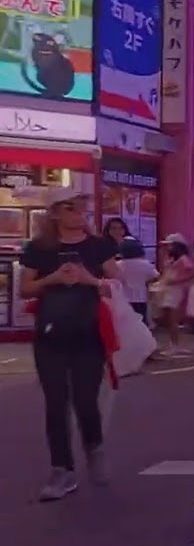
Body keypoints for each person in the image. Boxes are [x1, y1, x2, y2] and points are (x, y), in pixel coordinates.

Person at [19, 187, 118, 501]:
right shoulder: (39, 248)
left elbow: (117, 284)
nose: (80, 214)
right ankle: (62, 469)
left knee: (85, 401)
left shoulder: (99, 247)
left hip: (89, 335)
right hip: (50, 335)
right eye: (72, 208)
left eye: (82, 208)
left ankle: (94, 445)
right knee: (55, 404)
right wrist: (53, 280)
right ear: (56, 213)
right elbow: (25, 289)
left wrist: (91, 280)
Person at [156, 234, 194, 357]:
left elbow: (192, 273)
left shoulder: (183, 259)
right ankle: (173, 343)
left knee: (172, 318)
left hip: (175, 290)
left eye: (169, 244)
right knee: (166, 317)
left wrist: (177, 280)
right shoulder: (170, 257)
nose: (167, 247)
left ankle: (175, 345)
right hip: (166, 288)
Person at [115, 237, 158, 323]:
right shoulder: (146, 264)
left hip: (123, 299)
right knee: (141, 324)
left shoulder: (118, 265)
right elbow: (155, 277)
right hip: (141, 298)